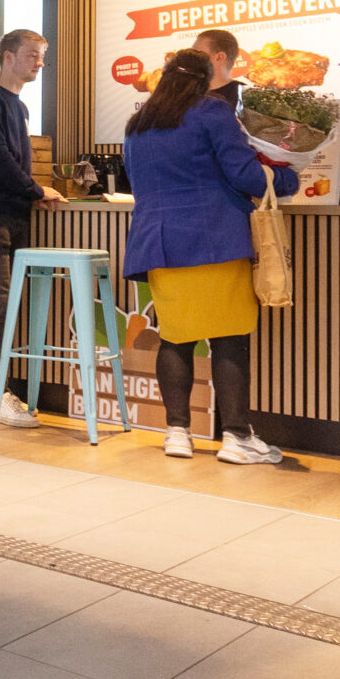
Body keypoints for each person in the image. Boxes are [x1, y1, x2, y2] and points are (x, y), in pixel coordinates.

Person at [123, 48, 301, 466]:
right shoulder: (212, 112)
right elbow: (243, 174)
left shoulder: (139, 123)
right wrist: (291, 175)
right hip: (214, 238)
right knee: (230, 339)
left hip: (159, 243)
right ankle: (237, 437)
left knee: (176, 336)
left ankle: (177, 432)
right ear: (205, 80)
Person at [0, 28, 63, 425]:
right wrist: (36, 188)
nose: (39, 63)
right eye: (33, 55)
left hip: (11, 211)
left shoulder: (17, 106)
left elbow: (11, 161)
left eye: (42, 56)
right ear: (7, 56)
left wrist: (32, 192)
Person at [194, 29, 242, 107]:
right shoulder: (184, 95)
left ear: (219, 57)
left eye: (197, 53)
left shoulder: (245, 97)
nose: (191, 57)